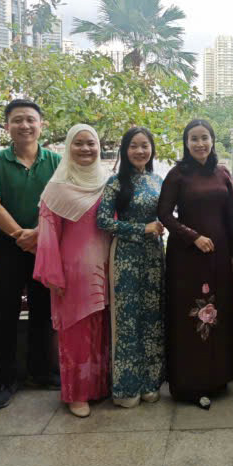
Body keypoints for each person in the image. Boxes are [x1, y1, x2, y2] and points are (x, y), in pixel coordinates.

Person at [0, 99, 62, 409]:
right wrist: (19, 236)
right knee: (5, 313)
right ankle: (6, 378)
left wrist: (38, 235)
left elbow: (64, 203)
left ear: (42, 125)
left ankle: (40, 372)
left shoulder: (55, 162)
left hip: (46, 245)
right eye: (17, 120)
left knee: (43, 310)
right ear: (7, 126)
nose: (24, 125)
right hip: (7, 248)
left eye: (30, 119)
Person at [157, 119, 233, 409]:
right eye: (194, 139)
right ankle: (190, 384)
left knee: (219, 313)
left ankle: (218, 377)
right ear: (186, 143)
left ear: (213, 141)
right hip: (187, 257)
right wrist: (193, 237)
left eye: (205, 137)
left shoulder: (222, 173)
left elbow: (231, 217)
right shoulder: (178, 175)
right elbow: (164, 214)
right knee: (190, 316)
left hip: (219, 254)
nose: (200, 143)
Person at [34, 124, 112, 417]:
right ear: (68, 147)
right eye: (78, 143)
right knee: (76, 332)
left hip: (104, 270)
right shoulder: (57, 188)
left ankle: (97, 387)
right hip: (73, 272)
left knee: (100, 329)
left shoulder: (106, 182)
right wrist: (53, 274)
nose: (85, 149)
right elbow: (48, 234)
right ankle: (77, 394)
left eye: (90, 143)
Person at [96, 127, 166, 408]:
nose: (140, 151)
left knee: (153, 318)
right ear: (125, 151)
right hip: (125, 256)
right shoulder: (116, 182)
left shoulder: (158, 180)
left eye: (145, 145)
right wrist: (142, 228)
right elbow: (103, 221)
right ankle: (126, 388)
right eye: (134, 146)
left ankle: (151, 383)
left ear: (152, 149)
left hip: (153, 256)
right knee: (126, 321)